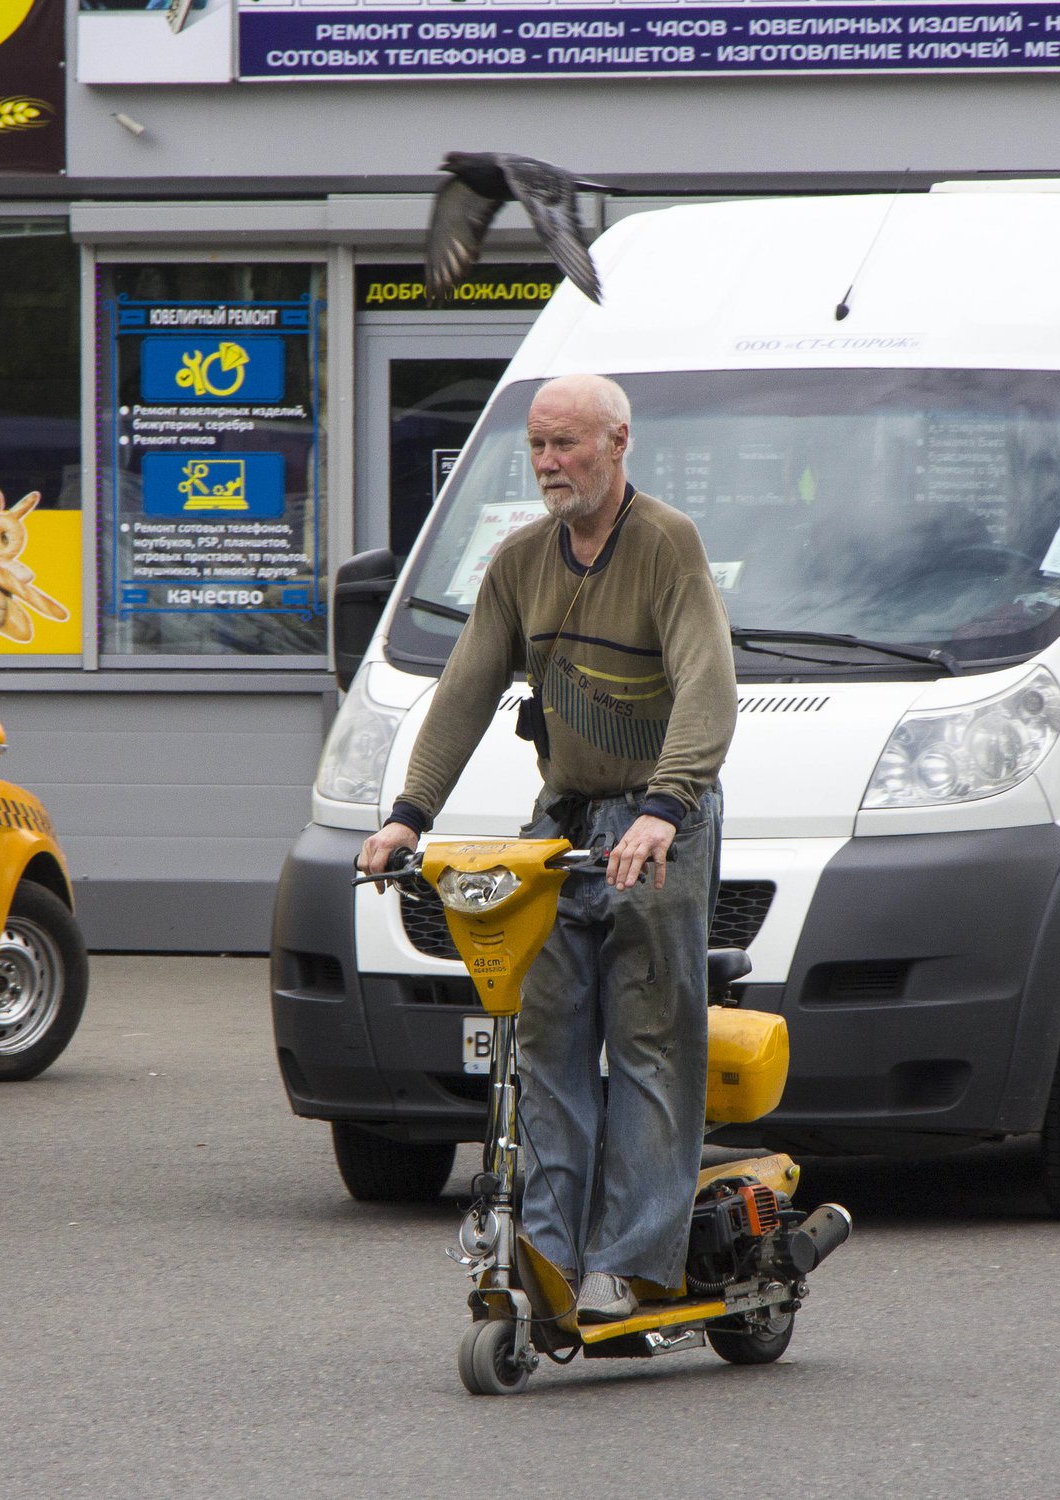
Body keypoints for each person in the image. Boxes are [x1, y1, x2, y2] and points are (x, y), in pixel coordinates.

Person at [356, 373, 736, 1323]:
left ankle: (633, 1260)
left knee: (650, 1038)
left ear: (619, 443)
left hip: (659, 819)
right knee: (547, 1035)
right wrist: (408, 812)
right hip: (564, 820)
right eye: (536, 446)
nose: (548, 463)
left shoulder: (667, 545)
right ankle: (551, 1251)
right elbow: (467, 685)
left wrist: (667, 805)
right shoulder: (520, 559)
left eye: (566, 444)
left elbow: (707, 683)